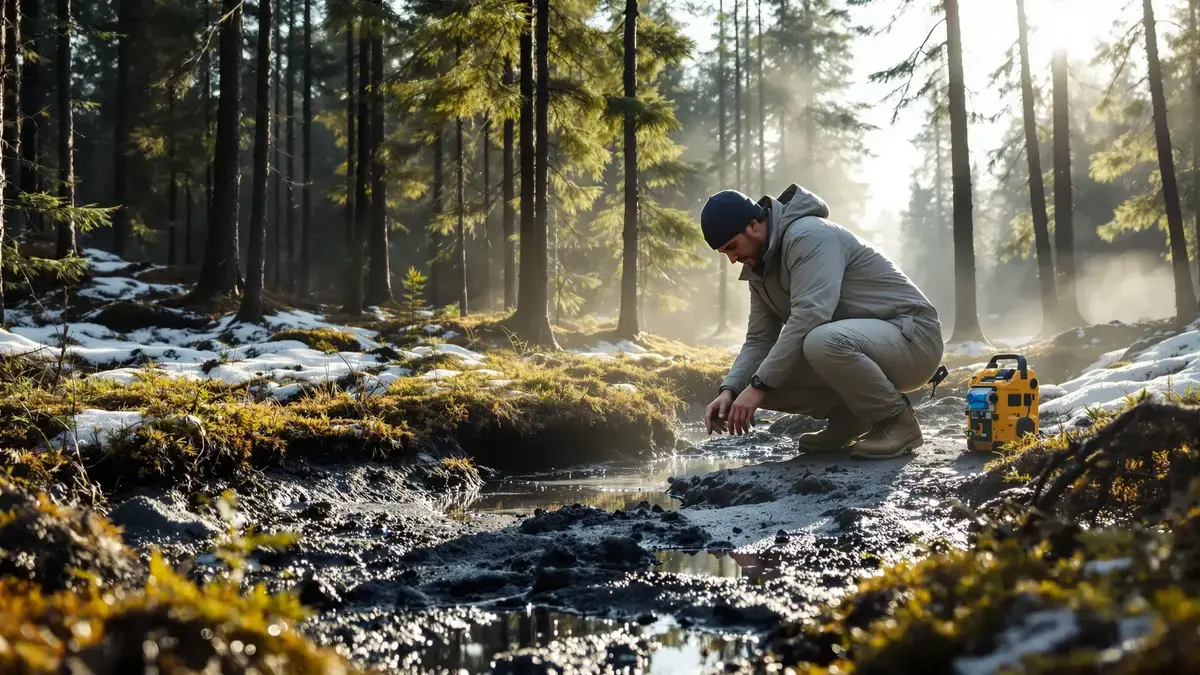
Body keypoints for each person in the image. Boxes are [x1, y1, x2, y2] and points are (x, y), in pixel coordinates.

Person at [701, 184, 944, 460]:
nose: (733, 259)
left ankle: (897, 421)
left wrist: (758, 387)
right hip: (863, 345)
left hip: (914, 338)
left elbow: (810, 316)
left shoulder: (808, 235)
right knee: (756, 374)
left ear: (754, 225)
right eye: (725, 253)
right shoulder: (759, 268)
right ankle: (850, 419)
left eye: (732, 247)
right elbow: (759, 339)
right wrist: (730, 390)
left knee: (816, 343)